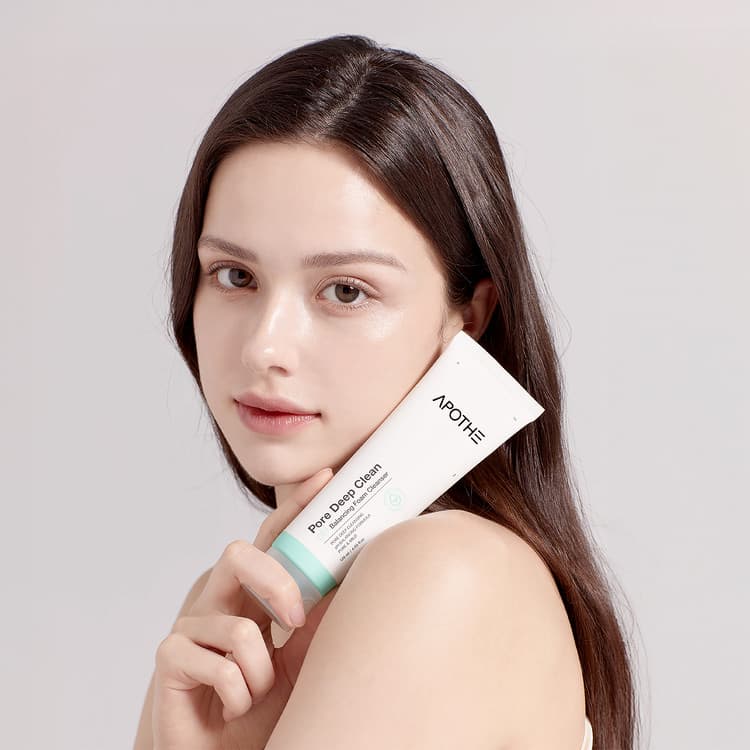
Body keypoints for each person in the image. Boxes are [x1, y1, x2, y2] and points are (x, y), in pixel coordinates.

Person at [134, 34, 639, 749]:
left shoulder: (444, 571)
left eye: (345, 290)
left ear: (468, 317)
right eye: (235, 276)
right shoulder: (230, 619)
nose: (264, 347)